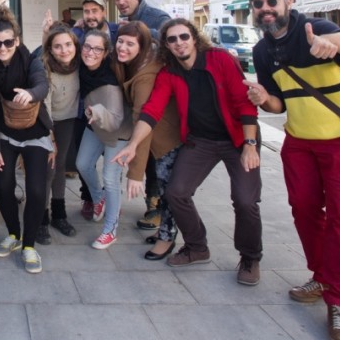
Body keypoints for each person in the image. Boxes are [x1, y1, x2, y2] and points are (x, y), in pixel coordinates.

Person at [245, 0, 340, 340]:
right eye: (258, 4)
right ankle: (322, 276)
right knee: (303, 209)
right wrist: (263, 97)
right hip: (301, 139)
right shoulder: (262, 50)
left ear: (288, 1)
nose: (265, 9)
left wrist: (331, 44)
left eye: (271, 1)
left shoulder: (312, 28)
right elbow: (278, 105)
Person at [112, 18, 263, 285]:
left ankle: (250, 257)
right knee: (176, 192)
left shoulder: (220, 59)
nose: (179, 43)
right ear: (166, 45)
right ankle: (197, 246)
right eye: (172, 39)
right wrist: (133, 145)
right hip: (201, 141)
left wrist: (250, 146)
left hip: (238, 138)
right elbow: (151, 110)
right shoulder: (169, 72)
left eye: (183, 36)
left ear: (194, 37)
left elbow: (244, 103)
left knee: (245, 200)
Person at [0, 5, 53, 274]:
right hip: (5, 133)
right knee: (3, 185)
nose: (3, 47)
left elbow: (42, 83)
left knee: (36, 190)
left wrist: (31, 93)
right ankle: (14, 235)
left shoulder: (31, 61)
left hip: (35, 132)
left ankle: (29, 245)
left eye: (8, 42)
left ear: (18, 41)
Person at [113, 21, 181, 260]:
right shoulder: (140, 64)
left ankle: (167, 239)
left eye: (130, 43)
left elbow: (144, 125)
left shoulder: (144, 77)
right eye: (120, 41)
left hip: (167, 142)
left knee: (170, 193)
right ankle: (167, 232)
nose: (122, 47)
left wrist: (135, 174)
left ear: (141, 46)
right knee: (167, 192)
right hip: (163, 140)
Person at [111, 0, 170, 224]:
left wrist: (140, 32)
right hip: (141, 92)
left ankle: (159, 209)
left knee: (157, 152)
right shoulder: (125, 22)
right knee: (152, 152)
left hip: (157, 95)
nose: (121, 2)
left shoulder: (156, 17)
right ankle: (155, 204)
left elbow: (169, 35)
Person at [75, 29, 132, 249]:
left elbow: (116, 120)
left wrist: (96, 112)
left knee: (110, 177)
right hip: (96, 122)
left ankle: (110, 230)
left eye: (97, 48)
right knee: (82, 164)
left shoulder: (110, 81)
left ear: (106, 51)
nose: (91, 52)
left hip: (117, 130)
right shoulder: (83, 68)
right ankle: (99, 198)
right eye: (87, 46)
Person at [41, 24, 81, 238]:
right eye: (57, 46)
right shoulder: (45, 68)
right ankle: (41, 217)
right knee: (49, 166)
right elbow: (44, 105)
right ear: (50, 49)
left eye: (68, 44)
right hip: (46, 120)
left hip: (67, 120)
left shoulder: (80, 63)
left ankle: (59, 214)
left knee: (61, 165)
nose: (64, 50)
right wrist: (50, 137)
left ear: (75, 45)